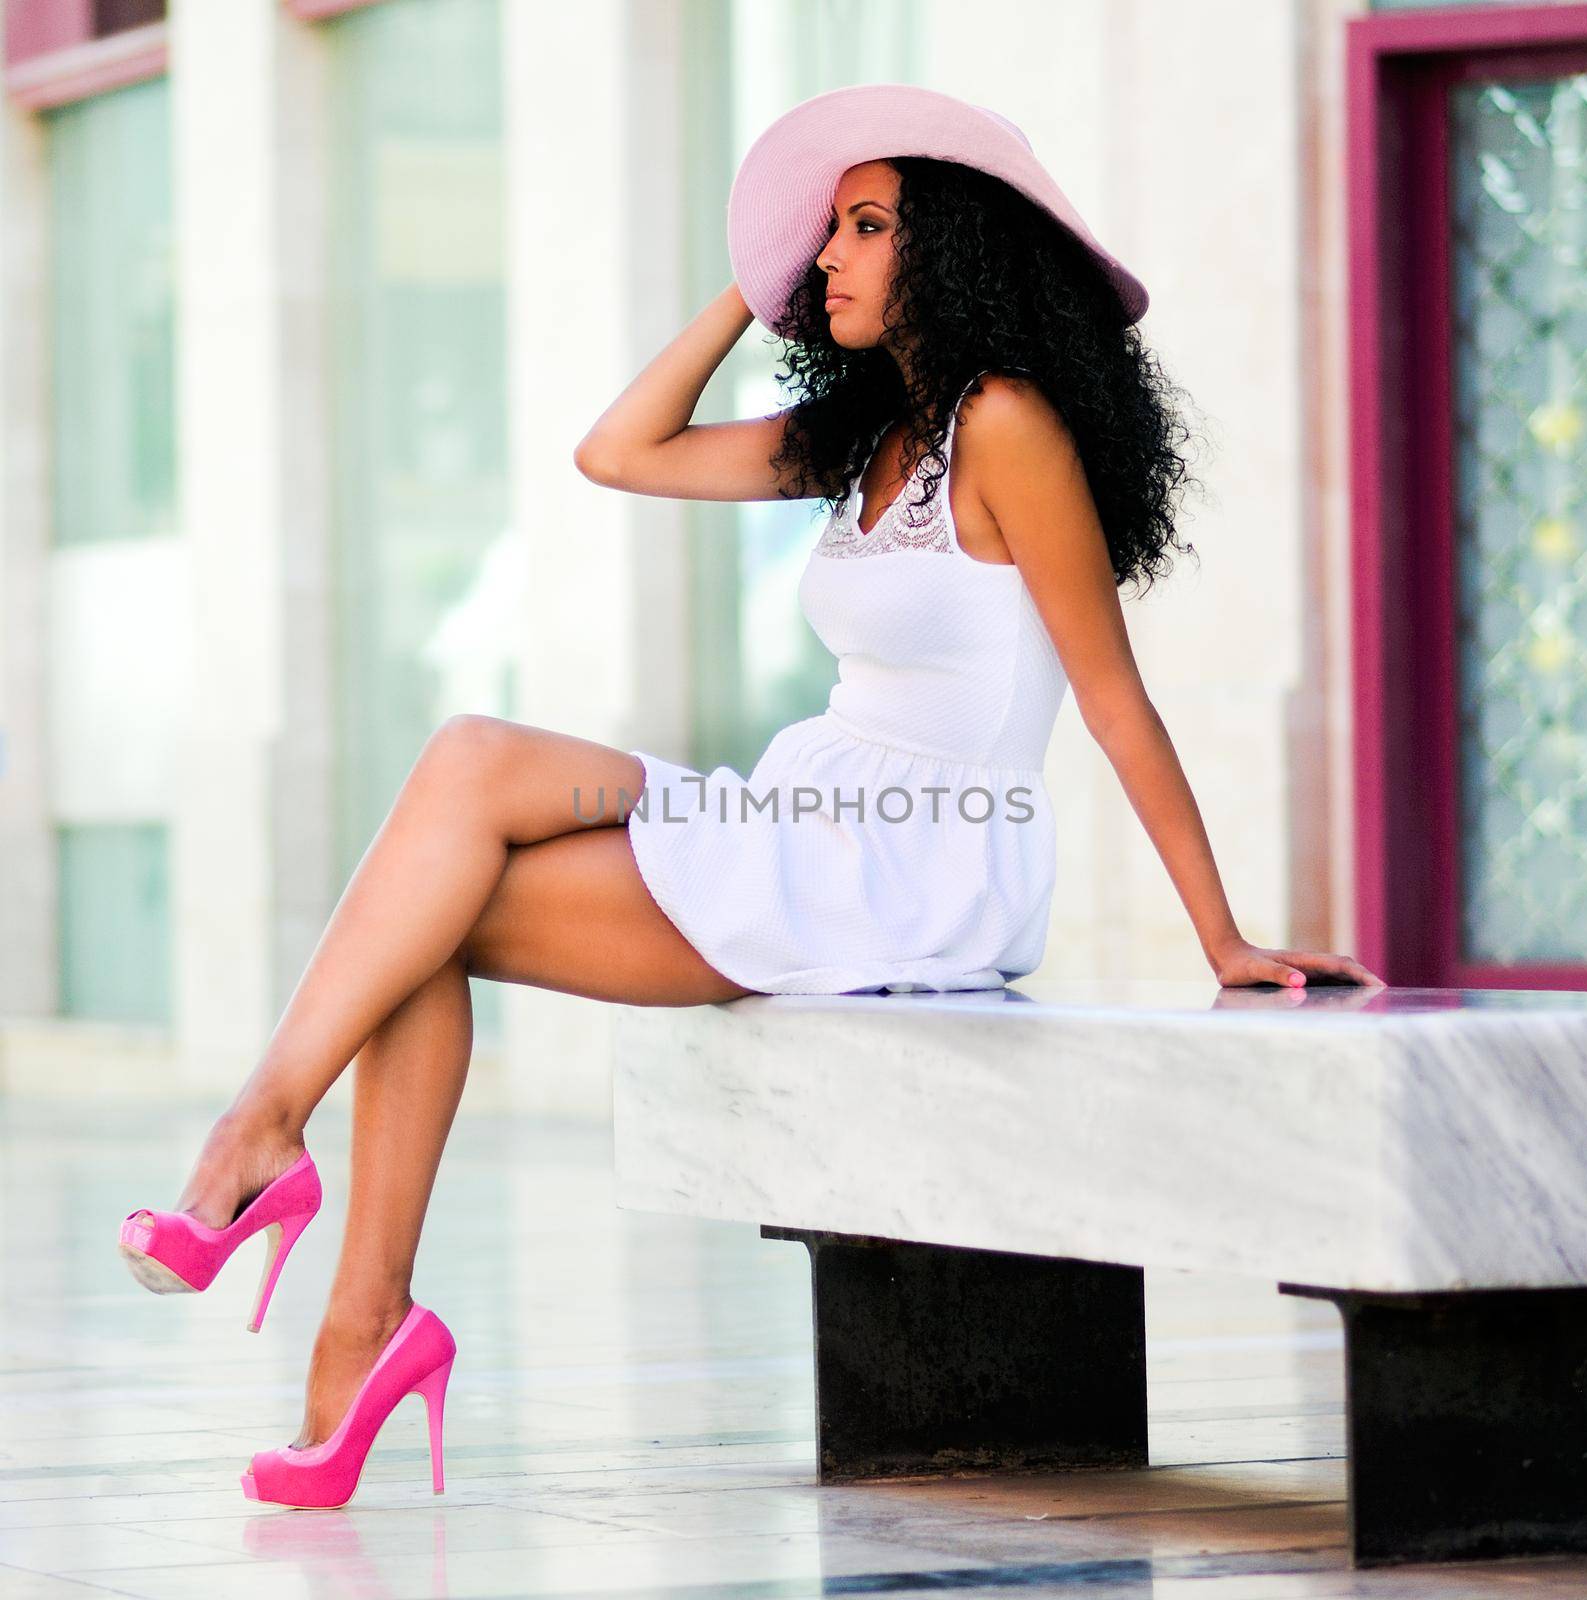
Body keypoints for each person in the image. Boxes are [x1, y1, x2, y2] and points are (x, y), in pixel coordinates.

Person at [116, 82, 1384, 1510]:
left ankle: (266, 1152)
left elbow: (1113, 701)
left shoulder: (1008, 426)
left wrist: (1220, 937)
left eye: (860, 227)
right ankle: (358, 1324)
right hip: (803, 815)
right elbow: (621, 452)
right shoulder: (863, 440)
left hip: (919, 859)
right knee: (437, 890)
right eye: (824, 234)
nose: (829, 258)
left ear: (950, 248)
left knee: (470, 765)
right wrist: (750, 282)